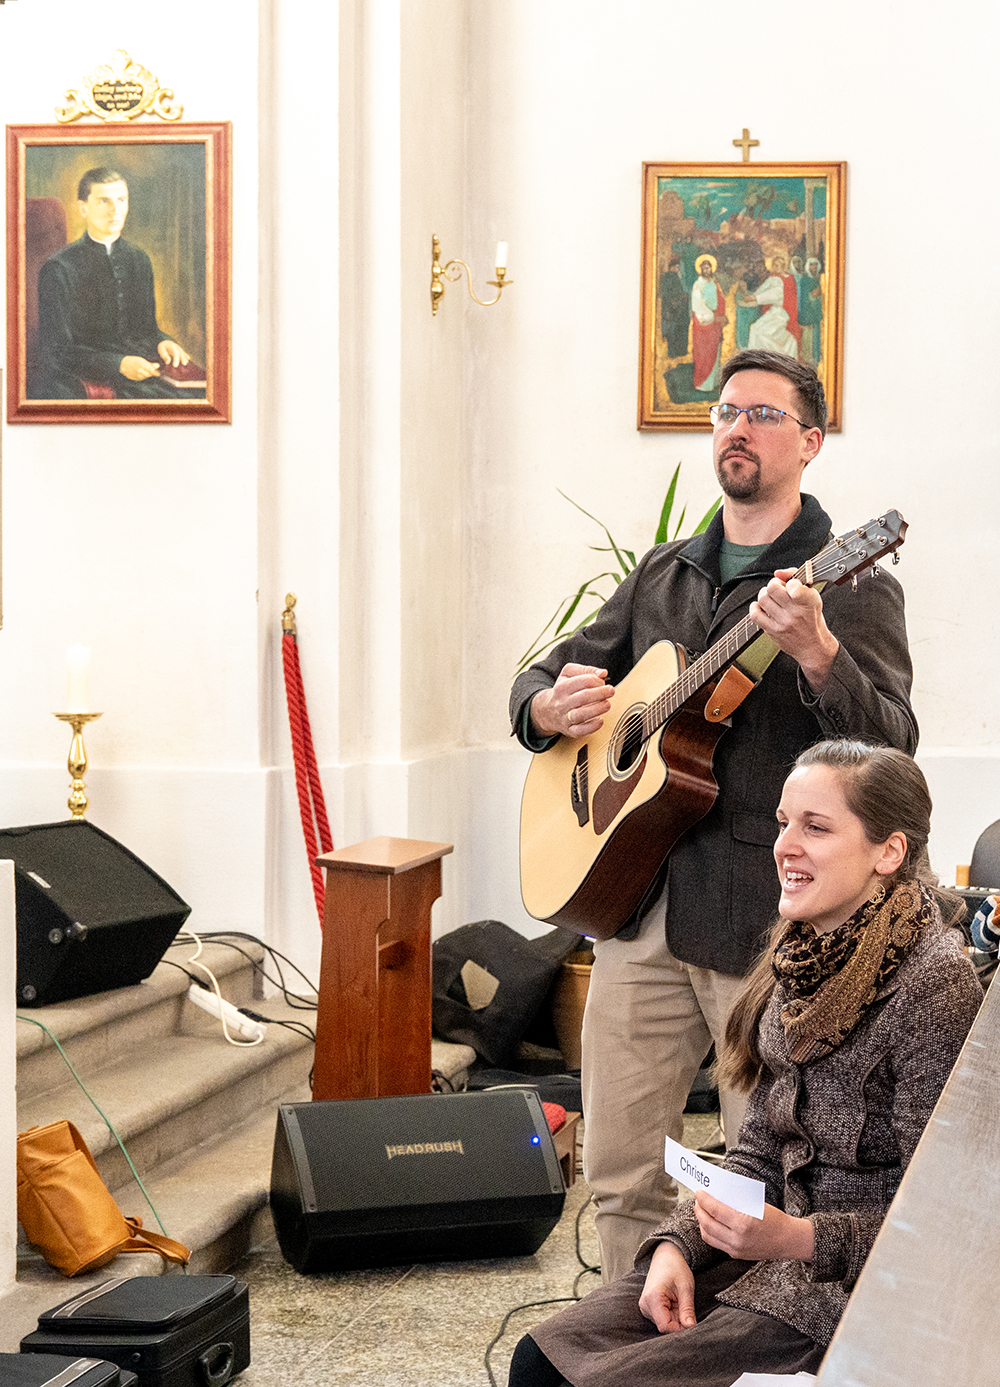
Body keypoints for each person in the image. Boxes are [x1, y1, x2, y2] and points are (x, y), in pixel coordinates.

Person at [509, 349, 916, 1283]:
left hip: (764, 925)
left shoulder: (850, 585)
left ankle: (746, 1342)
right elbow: (542, 674)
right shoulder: (666, 573)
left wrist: (819, 655)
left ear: (810, 443)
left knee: (766, 1182)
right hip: (637, 907)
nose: (739, 427)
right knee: (619, 1171)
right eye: (727, 411)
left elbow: (893, 744)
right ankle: (632, 1336)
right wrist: (545, 707)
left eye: (765, 415)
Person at [508, 741, 982, 1387]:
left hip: (851, 1292)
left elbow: (944, 1225)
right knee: (540, 1359)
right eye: (783, 823)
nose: (784, 846)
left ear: (889, 851)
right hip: (768, 1258)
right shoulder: (803, 951)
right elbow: (758, 1148)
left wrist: (797, 1239)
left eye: (815, 827)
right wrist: (678, 1244)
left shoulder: (935, 983)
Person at [35, 167, 196, 400]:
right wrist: (118, 364)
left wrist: (163, 342)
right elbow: (57, 351)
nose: (115, 210)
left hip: (141, 374)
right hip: (84, 380)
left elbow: (145, 330)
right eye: (104, 201)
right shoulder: (59, 268)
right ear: (83, 208)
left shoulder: (139, 260)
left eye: (121, 200)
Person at [740, 251, 801, 359]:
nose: (775, 267)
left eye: (778, 265)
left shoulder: (788, 279)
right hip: (773, 312)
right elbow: (761, 291)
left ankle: (770, 356)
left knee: (758, 331)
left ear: (783, 266)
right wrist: (753, 296)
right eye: (774, 265)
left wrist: (755, 298)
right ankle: (757, 358)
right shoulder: (772, 278)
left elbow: (775, 295)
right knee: (755, 329)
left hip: (781, 314)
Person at [689, 255, 728, 393]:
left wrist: (722, 316)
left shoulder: (715, 282)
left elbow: (720, 299)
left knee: (715, 350)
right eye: (704, 268)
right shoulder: (698, 285)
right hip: (705, 322)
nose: (706, 270)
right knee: (704, 352)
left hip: (716, 323)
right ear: (700, 269)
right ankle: (703, 383)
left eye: (708, 267)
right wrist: (714, 317)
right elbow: (697, 306)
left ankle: (714, 381)